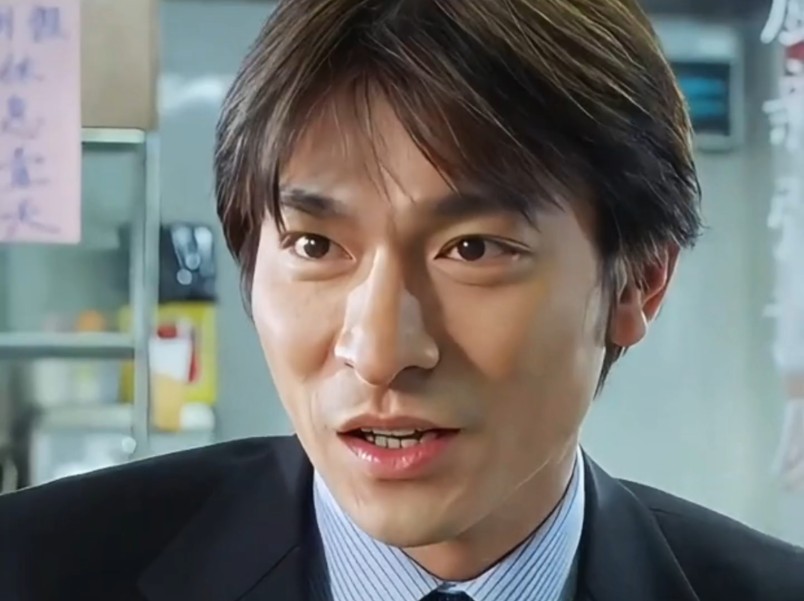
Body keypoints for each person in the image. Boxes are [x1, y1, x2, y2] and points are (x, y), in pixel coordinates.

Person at [2, 0, 803, 599]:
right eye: (315, 245)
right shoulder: (37, 568)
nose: (379, 348)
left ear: (639, 280)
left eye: (473, 248)